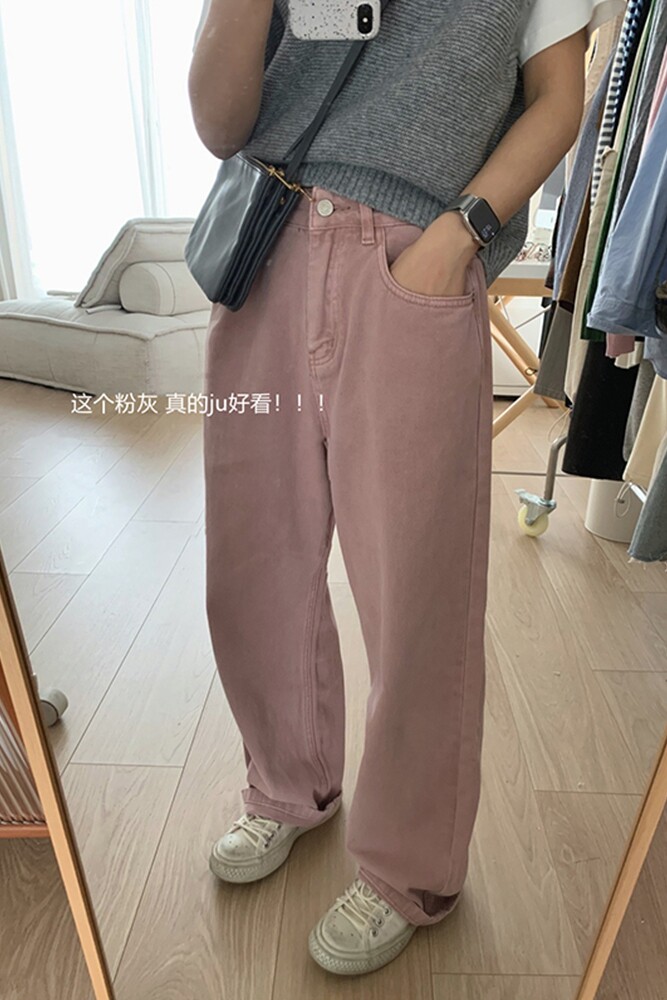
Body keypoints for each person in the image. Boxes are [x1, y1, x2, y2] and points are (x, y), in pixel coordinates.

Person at [188, 0, 624, 977]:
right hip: (268, 239)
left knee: (415, 589)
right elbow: (218, 121)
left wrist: (457, 235)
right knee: (254, 561)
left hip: (413, 255)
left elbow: (558, 99)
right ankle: (286, 786)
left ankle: (409, 866)